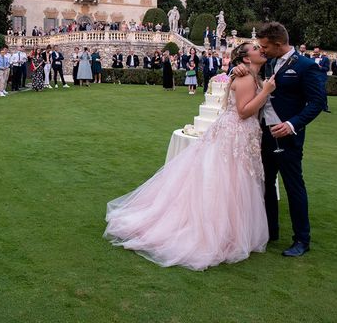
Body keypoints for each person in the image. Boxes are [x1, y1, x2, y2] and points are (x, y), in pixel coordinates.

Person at [104, 43, 276, 270]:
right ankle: (219, 232)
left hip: (242, 134)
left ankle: (231, 230)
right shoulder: (245, 79)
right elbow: (244, 112)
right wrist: (265, 91)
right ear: (245, 58)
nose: (261, 49)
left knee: (236, 181)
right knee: (229, 181)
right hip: (236, 133)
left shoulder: (251, 74)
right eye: (255, 47)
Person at [234, 22, 326, 257]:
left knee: (294, 187)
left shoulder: (306, 67)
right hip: (263, 134)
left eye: (265, 46)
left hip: (288, 138)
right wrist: (237, 69)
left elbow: (318, 103)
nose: (262, 51)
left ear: (278, 44)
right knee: (265, 185)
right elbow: (249, 78)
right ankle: (270, 230)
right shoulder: (269, 63)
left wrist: (293, 124)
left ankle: (302, 240)